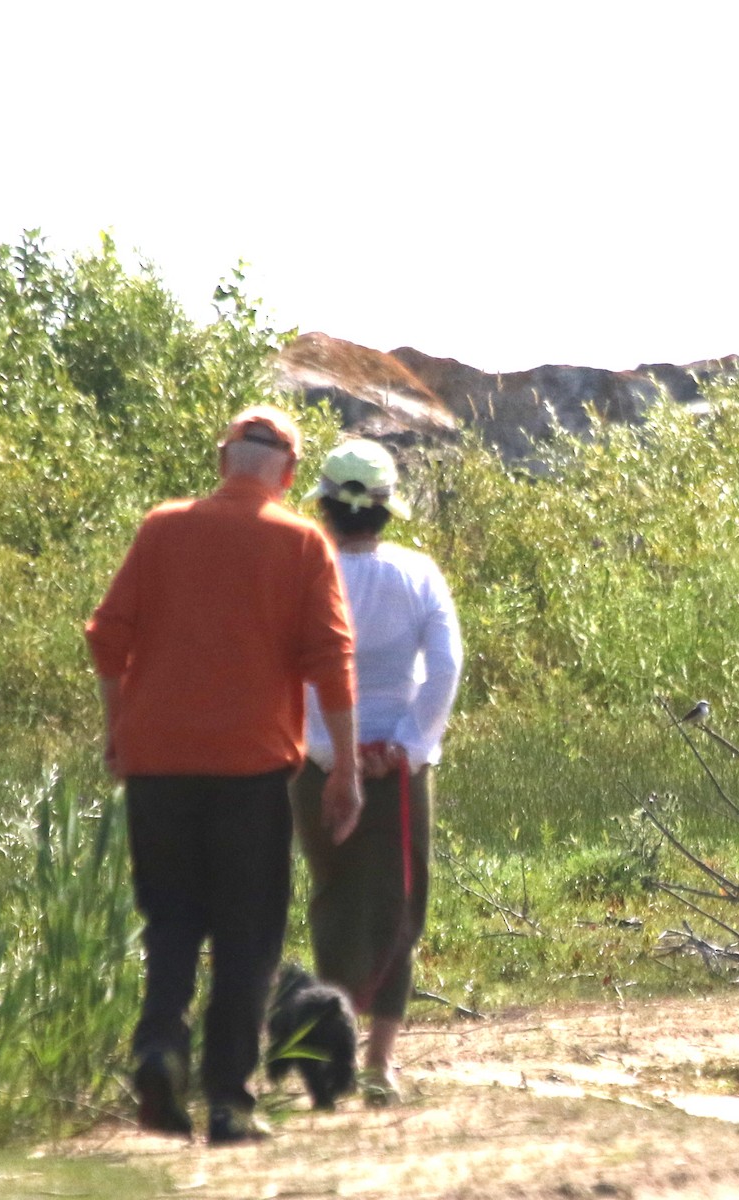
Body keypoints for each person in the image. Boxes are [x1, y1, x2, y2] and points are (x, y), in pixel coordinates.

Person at [84, 405, 361, 1145]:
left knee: (171, 921)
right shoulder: (302, 543)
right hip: (249, 773)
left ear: (221, 460)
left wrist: (117, 727)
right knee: (248, 936)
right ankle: (230, 1104)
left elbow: (106, 637)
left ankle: (158, 1049)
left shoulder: (162, 528)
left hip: (157, 767)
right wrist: (345, 770)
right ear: (290, 475)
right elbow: (331, 661)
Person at [290, 439, 463, 1105]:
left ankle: (331, 1055)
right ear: (388, 510)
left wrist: (330, 752)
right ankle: (380, 1063)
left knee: (333, 896)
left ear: (326, 506)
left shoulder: (305, 573)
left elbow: (292, 671)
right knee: (397, 904)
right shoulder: (418, 574)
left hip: (318, 763)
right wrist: (408, 745)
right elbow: (444, 668)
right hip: (398, 770)